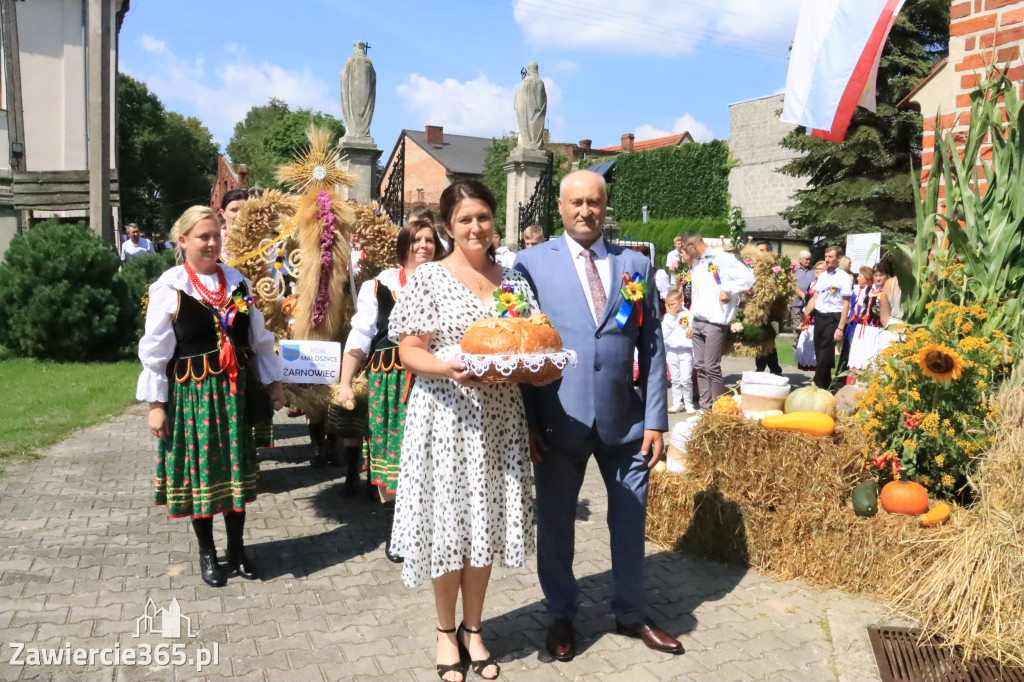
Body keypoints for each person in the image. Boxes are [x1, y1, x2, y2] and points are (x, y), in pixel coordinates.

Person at [515, 169, 682, 663]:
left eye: (594, 202)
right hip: (557, 419)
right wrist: (526, 421)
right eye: (576, 202)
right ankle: (562, 613)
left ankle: (631, 612)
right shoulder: (529, 265)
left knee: (630, 521)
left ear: (605, 207)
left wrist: (656, 420)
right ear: (561, 209)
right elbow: (522, 349)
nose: (585, 210)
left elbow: (651, 346)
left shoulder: (635, 264)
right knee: (556, 522)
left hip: (626, 424)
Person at [389, 181, 536, 682]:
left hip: (499, 420)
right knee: (449, 526)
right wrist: (450, 369)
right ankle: (445, 632)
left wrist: (526, 367)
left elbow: (527, 342)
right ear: (449, 227)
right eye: (465, 219)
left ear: (495, 221)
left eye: (483, 217)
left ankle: (475, 629)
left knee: (485, 526)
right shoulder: (429, 277)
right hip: (447, 417)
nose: (476, 227)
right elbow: (409, 350)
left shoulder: (514, 280)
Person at [137, 206, 286, 587]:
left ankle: (237, 551)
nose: (212, 242)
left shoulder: (237, 282)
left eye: (216, 235)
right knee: (200, 473)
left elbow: (258, 340)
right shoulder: (169, 288)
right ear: (183, 241)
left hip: (234, 393)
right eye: (203, 236)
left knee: (235, 470)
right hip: (193, 395)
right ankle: (208, 553)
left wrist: (275, 383)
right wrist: (156, 406)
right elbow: (155, 352)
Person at [338, 216, 439, 562]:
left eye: (430, 240)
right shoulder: (378, 286)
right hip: (390, 380)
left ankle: (425, 530)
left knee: (428, 454)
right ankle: (395, 532)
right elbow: (360, 335)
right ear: (404, 246)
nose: (424, 245)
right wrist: (345, 383)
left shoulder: (446, 282)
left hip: (431, 380)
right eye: (417, 239)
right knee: (388, 452)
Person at [681, 232, 755, 411]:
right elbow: (696, 296)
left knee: (711, 366)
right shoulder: (698, 264)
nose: (684, 254)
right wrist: (691, 321)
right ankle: (705, 407)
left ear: (693, 245)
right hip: (698, 319)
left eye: (685, 250)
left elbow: (748, 277)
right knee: (699, 366)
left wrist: (728, 289)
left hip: (714, 321)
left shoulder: (722, 258)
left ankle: (719, 406)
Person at [805, 246, 853, 390]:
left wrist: (840, 327)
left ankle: (817, 383)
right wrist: (805, 317)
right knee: (819, 350)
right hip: (820, 316)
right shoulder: (823, 276)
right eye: (825, 256)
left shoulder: (844, 278)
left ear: (839, 258)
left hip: (834, 317)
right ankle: (825, 386)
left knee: (826, 351)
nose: (827, 259)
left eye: (830, 257)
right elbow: (815, 297)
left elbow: (846, 304)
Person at [848, 263, 887, 372]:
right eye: (876, 276)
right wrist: (860, 317)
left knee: (872, 353)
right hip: (864, 327)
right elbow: (862, 305)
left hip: (877, 328)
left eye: (881, 275)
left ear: (886, 276)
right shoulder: (869, 289)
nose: (878, 278)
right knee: (860, 353)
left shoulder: (886, 290)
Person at [662, 290, 695, 414]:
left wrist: (691, 330)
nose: (671, 307)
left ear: (681, 301)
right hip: (671, 351)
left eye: (673, 304)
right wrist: (670, 317)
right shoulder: (667, 317)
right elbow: (664, 334)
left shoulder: (689, 314)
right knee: (675, 379)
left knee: (686, 378)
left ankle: (688, 402)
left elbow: (693, 328)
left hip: (685, 351)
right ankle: (677, 403)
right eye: (668, 305)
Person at [795, 261, 826, 371]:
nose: (817, 271)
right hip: (809, 318)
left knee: (816, 346)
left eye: (821, 269)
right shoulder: (812, 283)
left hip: (818, 318)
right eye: (816, 269)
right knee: (807, 344)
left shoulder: (825, 285)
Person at [878, 259, 904, 350]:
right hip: (906, 332)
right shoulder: (924, 282)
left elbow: (884, 318)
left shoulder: (890, 282)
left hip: (891, 331)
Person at [218, 189, 248, 262]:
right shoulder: (215, 239)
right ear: (223, 213)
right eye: (234, 210)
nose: (240, 215)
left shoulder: (260, 241)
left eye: (245, 209)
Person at [792, 249, 815, 325]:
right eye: (806, 259)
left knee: (808, 321)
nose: (808, 261)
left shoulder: (813, 270)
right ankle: (797, 336)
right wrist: (800, 293)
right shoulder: (794, 270)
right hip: (796, 301)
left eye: (809, 260)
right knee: (797, 322)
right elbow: (791, 284)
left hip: (809, 302)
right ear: (800, 260)